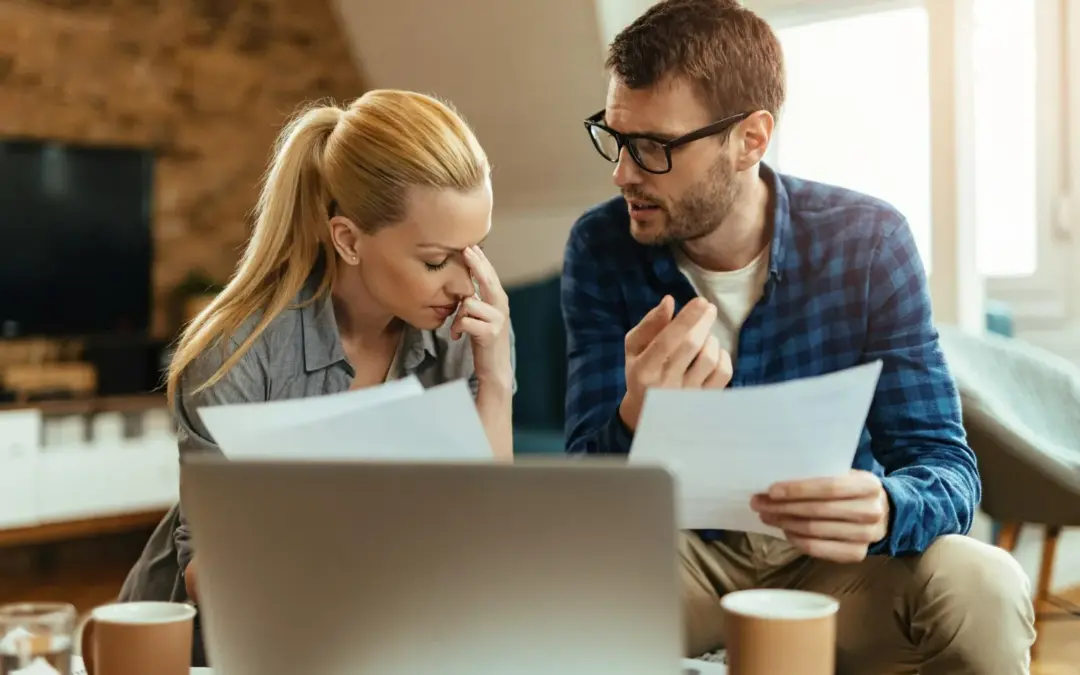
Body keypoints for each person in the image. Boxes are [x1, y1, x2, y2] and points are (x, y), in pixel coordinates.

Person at [561, 1, 1034, 672]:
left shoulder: (868, 241)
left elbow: (949, 468)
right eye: (615, 136)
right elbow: (580, 493)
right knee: (549, 586)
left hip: (836, 567)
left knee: (982, 582)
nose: (623, 172)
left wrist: (886, 506)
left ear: (751, 138)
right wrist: (634, 416)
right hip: (681, 556)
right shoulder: (600, 247)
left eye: (654, 147)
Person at [119, 89, 516, 665]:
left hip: (379, 638)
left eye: (475, 251)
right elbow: (213, 577)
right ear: (348, 240)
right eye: (435, 260)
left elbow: (488, 539)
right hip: (210, 649)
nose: (463, 283)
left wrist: (496, 382)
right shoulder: (236, 353)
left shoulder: (470, 332)